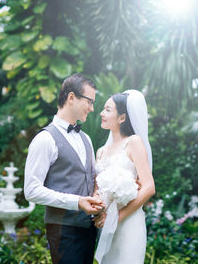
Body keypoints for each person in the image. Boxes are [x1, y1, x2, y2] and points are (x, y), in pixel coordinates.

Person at [24, 73, 105, 264]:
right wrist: (77, 202)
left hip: (89, 228)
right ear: (71, 97)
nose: (92, 108)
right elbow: (31, 190)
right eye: (89, 101)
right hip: (63, 229)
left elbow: (93, 179)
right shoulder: (45, 139)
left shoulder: (86, 139)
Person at [93, 90, 156, 263]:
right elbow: (96, 190)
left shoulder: (133, 142)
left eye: (107, 110)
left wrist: (115, 219)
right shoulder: (101, 152)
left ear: (121, 118)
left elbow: (149, 187)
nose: (101, 113)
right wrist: (99, 213)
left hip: (128, 223)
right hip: (106, 223)